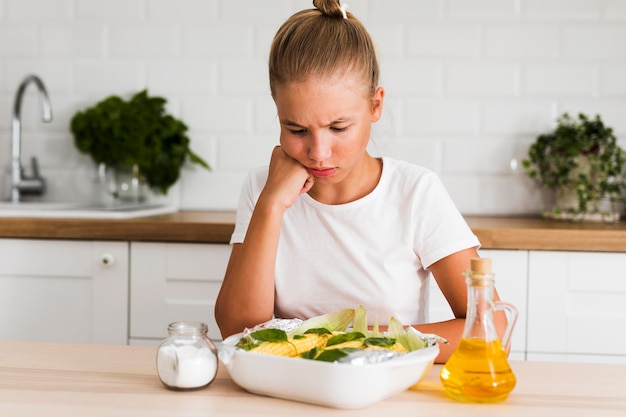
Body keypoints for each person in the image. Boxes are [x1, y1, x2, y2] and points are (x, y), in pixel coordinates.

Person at [214, 0, 495, 363]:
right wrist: (271, 205)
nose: (318, 152)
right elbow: (238, 330)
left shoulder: (415, 192)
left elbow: (488, 328)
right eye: (296, 129)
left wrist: (350, 342)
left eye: (338, 127)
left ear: (375, 106)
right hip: (290, 393)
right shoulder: (263, 189)